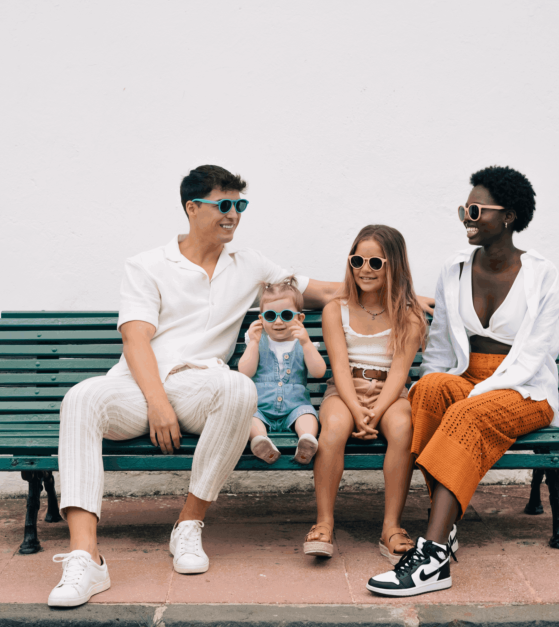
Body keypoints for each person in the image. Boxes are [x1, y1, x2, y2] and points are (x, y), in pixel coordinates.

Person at [47, 165, 343, 607]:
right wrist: (156, 402)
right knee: (81, 396)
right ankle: (85, 557)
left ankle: (188, 527)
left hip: (201, 388)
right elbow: (135, 338)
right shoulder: (146, 265)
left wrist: (398, 292)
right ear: (192, 207)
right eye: (224, 205)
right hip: (137, 389)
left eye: (239, 205)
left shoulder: (250, 265)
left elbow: (319, 290)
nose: (234, 215)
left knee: (239, 389)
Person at [366, 166, 559, 598]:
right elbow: (440, 346)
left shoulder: (540, 273)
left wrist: (481, 393)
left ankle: (433, 556)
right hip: (469, 379)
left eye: (476, 209)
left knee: (465, 413)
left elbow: (537, 353)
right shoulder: (455, 268)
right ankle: (448, 525)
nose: (467, 217)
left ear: (509, 217)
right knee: (429, 390)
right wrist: (441, 382)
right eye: (465, 209)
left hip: (524, 388)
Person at [304, 225, 428, 564]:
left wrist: (376, 410)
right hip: (345, 390)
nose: (365, 269)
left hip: (391, 391)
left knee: (403, 428)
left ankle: (391, 526)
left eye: (376, 262)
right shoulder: (336, 309)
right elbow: (340, 368)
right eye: (357, 260)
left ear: (394, 265)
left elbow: (400, 372)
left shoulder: (410, 315)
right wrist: (358, 411)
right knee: (332, 429)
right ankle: (324, 523)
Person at [236, 277, 326, 465]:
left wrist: (307, 343)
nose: (278, 322)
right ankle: (261, 441)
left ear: (300, 318)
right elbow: (245, 372)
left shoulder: (303, 343)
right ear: (261, 319)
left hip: (295, 406)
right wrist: (252, 342)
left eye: (286, 315)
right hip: (259, 407)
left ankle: (307, 440)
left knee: (308, 415)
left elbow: (319, 372)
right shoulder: (258, 342)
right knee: (249, 418)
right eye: (270, 316)